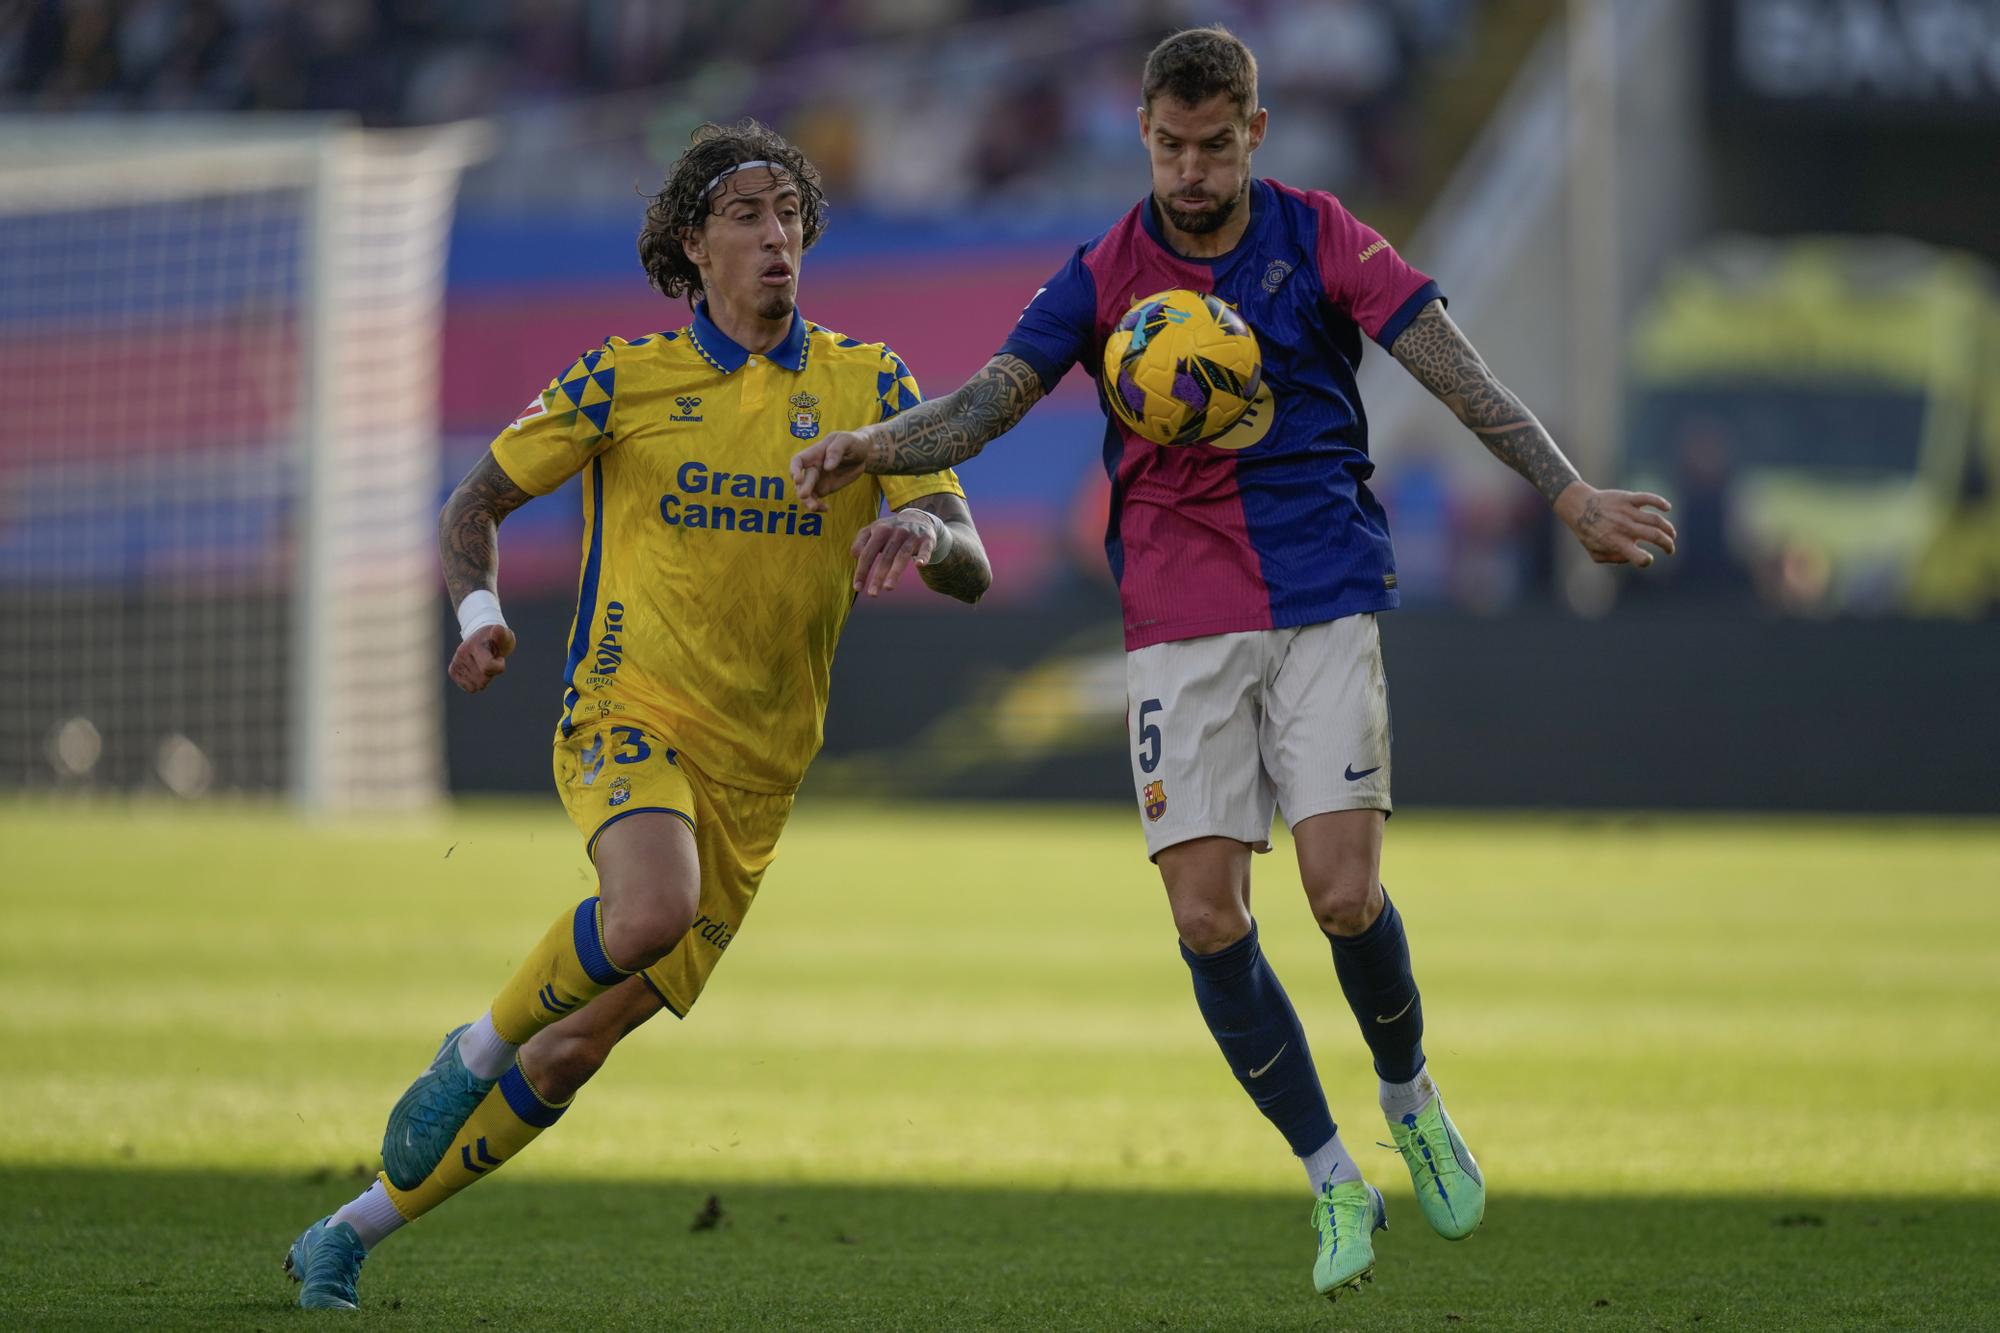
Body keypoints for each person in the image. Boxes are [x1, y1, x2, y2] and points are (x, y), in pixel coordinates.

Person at [790, 26, 1675, 1302]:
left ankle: (1409, 1096)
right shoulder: (1104, 270)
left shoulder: (1317, 236)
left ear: (1253, 132)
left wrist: (1567, 491)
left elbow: (1448, 361)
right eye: (1169, 146)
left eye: (1214, 146)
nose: (1191, 171)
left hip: (1317, 593)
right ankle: (1330, 1177)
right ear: (1141, 134)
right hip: (1174, 621)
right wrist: (876, 444)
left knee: (1341, 894)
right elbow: (991, 397)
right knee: (1207, 916)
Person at [282, 120, 990, 1311]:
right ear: (690, 246)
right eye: (747, 217)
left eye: (789, 217)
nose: (776, 237)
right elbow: (475, 503)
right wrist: (473, 618)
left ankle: (347, 1231)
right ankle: (470, 1049)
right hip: (627, 709)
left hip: (758, 775)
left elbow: (967, 556)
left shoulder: (869, 386)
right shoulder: (623, 378)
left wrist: (922, 530)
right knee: (645, 908)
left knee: (575, 1048)